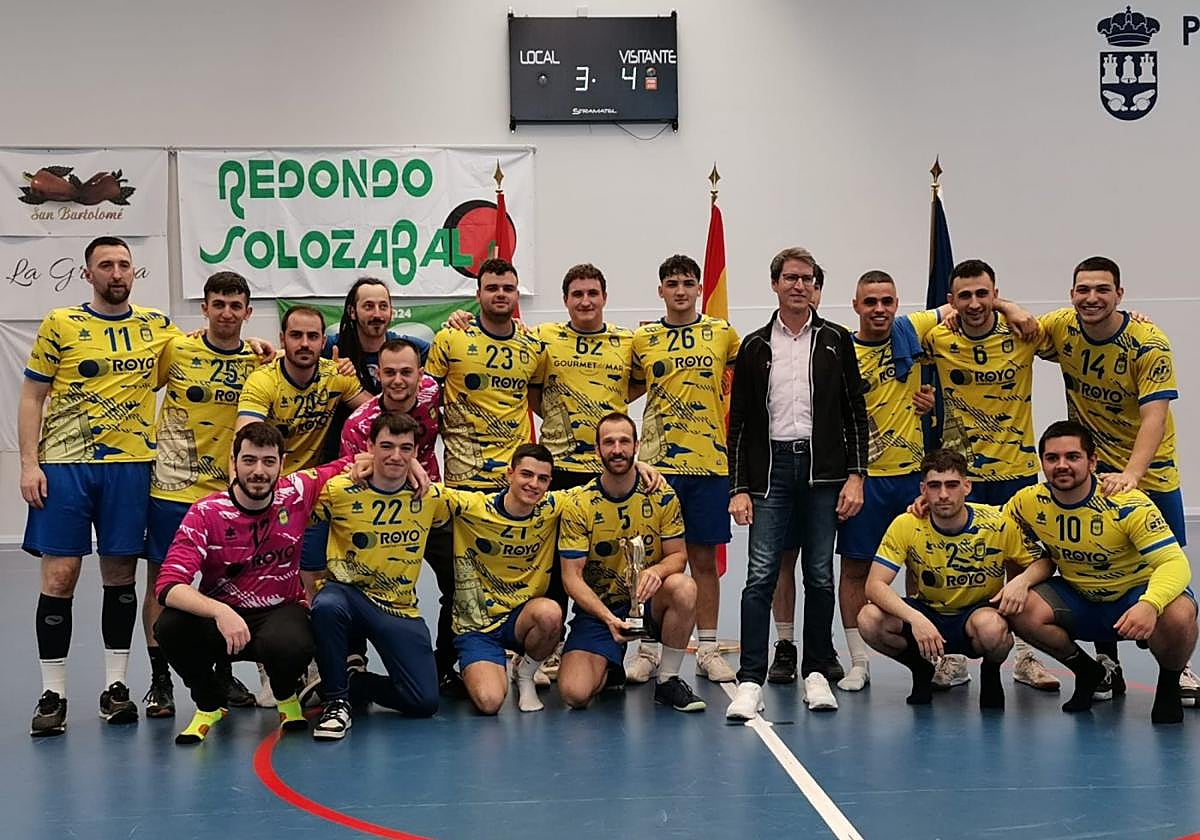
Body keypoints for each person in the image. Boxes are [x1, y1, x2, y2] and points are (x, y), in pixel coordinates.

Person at [23, 236, 183, 737]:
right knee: (60, 577)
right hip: (66, 464)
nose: (116, 273)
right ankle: (53, 693)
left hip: (131, 466)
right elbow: (32, 396)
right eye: (106, 265)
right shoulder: (61, 323)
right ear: (88, 274)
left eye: (124, 265)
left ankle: (116, 687)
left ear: (134, 272)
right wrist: (29, 464)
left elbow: (205, 353)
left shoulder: (157, 326)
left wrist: (259, 347)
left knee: (120, 577)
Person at [1035, 256, 1198, 701]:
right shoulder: (1062, 327)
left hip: (1151, 475)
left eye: (1102, 289)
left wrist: (1132, 474)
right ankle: (1107, 663)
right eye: (1083, 289)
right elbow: (1019, 329)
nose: (1092, 298)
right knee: (1094, 561)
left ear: (1120, 295)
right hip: (1093, 471)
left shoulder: (1148, 342)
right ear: (1071, 294)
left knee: (1164, 569)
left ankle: (1177, 665)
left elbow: (1155, 416)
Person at [725, 247, 869, 720]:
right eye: (790, 278)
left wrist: (856, 475)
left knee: (820, 575)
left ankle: (817, 673)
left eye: (807, 279)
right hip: (770, 473)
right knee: (760, 575)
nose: (799, 286)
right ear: (775, 284)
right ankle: (750, 680)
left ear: (816, 287)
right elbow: (739, 423)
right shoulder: (754, 346)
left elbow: (854, 413)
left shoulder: (836, 340)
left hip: (824, 473)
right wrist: (738, 487)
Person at [152, 423, 345, 744]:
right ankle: (209, 704)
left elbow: (354, 462)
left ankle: (285, 694)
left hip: (280, 611)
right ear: (234, 462)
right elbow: (168, 585)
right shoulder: (206, 513)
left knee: (293, 643)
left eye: (268, 462)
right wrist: (219, 612)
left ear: (282, 463)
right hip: (223, 618)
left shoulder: (296, 492)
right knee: (170, 627)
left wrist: (410, 466)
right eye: (249, 460)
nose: (259, 471)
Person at [921, 259, 1060, 693]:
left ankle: (1025, 655)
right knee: (949, 560)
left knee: (1019, 562)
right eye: (965, 295)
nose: (975, 303)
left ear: (995, 294)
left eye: (984, 294)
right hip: (963, 476)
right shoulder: (937, 337)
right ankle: (952, 656)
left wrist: (1011, 308)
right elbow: (892, 344)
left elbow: (1079, 328)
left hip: (1016, 470)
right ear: (951, 300)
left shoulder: (1023, 332)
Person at [1004, 421, 1197, 724]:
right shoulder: (1028, 501)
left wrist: (1150, 604)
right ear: (1042, 463)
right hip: (1080, 598)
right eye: (1052, 458)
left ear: (1092, 462)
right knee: (1019, 608)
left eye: (1072, 456)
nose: (1062, 465)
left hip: (1134, 596)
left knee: (1180, 613)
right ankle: (1088, 671)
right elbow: (987, 525)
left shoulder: (1126, 502)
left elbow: (1175, 563)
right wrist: (931, 510)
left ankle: (1169, 686)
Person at [142, 271, 261, 718]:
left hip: (228, 494)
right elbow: (136, 390)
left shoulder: (259, 360)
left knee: (224, 584)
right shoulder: (177, 349)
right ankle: (160, 680)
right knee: (162, 583)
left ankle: (221, 674)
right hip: (173, 487)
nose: (226, 313)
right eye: (219, 304)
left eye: (235, 306)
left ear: (248, 312)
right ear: (204, 308)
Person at [858, 449, 1048, 709]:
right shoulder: (906, 524)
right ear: (923, 490)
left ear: (967, 486)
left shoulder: (996, 522)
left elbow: (1043, 561)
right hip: (928, 612)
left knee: (992, 628)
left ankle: (991, 671)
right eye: (934, 486)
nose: (943, 494)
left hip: (975, 615)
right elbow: (874, 585)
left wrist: (1020, 582)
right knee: (868, 619)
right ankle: (920, 668)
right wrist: (916, 619)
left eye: (952, 485)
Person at [631, 254, 740, 684]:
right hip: (656, 468)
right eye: (672, 283)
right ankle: (648, 648)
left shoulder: (722, 333)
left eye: (688, 283)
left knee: (703, 561)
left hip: (709, 465)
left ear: (698, 288)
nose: (680, 290)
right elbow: (622, 387)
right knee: (652, 561)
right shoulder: (643, 338)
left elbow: (751, 380)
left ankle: (708, 648)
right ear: (661, 290)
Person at [308, 412, 446, 739]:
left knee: (423, 701)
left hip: (397, 607)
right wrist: (309, 584)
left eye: (405, 448)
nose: (395, 455)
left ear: (416, 452)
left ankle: (354, 682)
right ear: (369, 447)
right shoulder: (339, 489)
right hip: (348, 595)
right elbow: (301, 515)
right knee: (326, 605)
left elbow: (486, 507)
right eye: (386, 446)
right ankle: (336, 701)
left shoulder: (431, 496)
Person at [557, 413, 704, 712]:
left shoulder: (661, 494)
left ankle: (668, 680)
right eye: (609, 442)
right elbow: (571, 577)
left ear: (636, 446)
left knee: (684, 587)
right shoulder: (579, 503)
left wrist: (656, 571)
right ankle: (611, 664)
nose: (617, 449)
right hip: (602, 609)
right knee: (575, 694)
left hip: (649, 601)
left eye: (624, 441)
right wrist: (608, 619)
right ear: (597, 450)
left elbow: (678, 556)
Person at [337, 338, 457, 690]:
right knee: (353, 581)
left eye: (407, 372)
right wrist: (404, 467)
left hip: (427, 509)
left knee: (460, 581)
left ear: (421, 375)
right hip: (377, 519)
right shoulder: (359, 424)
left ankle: (445, 663)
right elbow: (348, 476)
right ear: (378, 374)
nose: (398, 380)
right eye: (389, 373)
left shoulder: (433, 393)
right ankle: (353, 660)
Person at [236, 305, 368, 599]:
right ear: (282, 339)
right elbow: (244, 440)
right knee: (260, 582)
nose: (305, 343)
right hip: (268, 492)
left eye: (312, 336)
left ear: (324, 342)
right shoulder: (263, 380)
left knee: (314, 580)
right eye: (296, 335)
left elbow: (377, 413)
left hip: (314, 494)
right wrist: (240, 502)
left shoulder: (337, 375)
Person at [447, 444, 564, 714]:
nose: (533, 484)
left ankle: (526, 675)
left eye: (542, 479)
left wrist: (636, 466)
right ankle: (483, 665)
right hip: (477, 626)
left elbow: (599, 489)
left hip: (520, 619)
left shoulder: (551, 506)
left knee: (550, 613)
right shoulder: (472, 506)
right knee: (489, 702)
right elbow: (427, 491)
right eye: (526, 474)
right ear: (510, 474)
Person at [425, 257, 545, 491]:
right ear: (478, 295)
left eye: (508, 289)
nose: (500, 294)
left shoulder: (533, 344)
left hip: (516, 476)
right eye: (492, 288)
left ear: (517, 295)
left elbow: (536, 400)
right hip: (465, 474)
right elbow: (425, 399)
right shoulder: (450, 337)